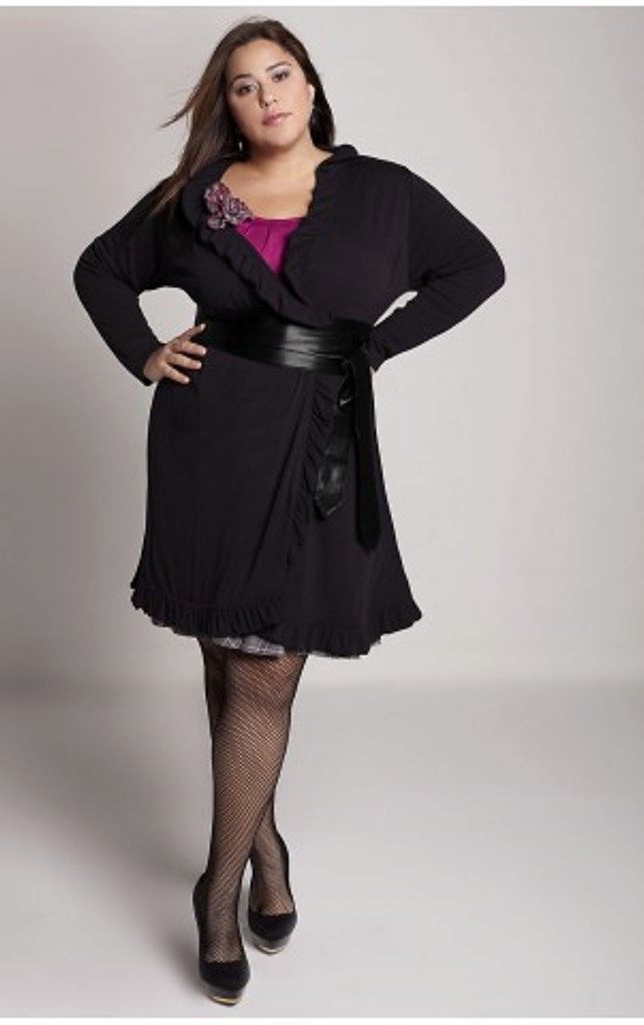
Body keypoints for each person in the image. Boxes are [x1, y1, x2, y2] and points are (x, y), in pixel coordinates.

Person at [73, 17, 506, 1004]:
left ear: (310, 86)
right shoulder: (197, 198)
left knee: (264, 669)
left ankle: (218, 888)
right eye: (242, 83)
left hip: (318, 442)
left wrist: (375, 346)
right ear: (226, 107)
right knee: (225, 655)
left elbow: (475, 267)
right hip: (208, 439)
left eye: (280, 73)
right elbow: (100, 268)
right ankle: (263, 844)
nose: (265, 94)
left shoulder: (384, 192)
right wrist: (143, 350)